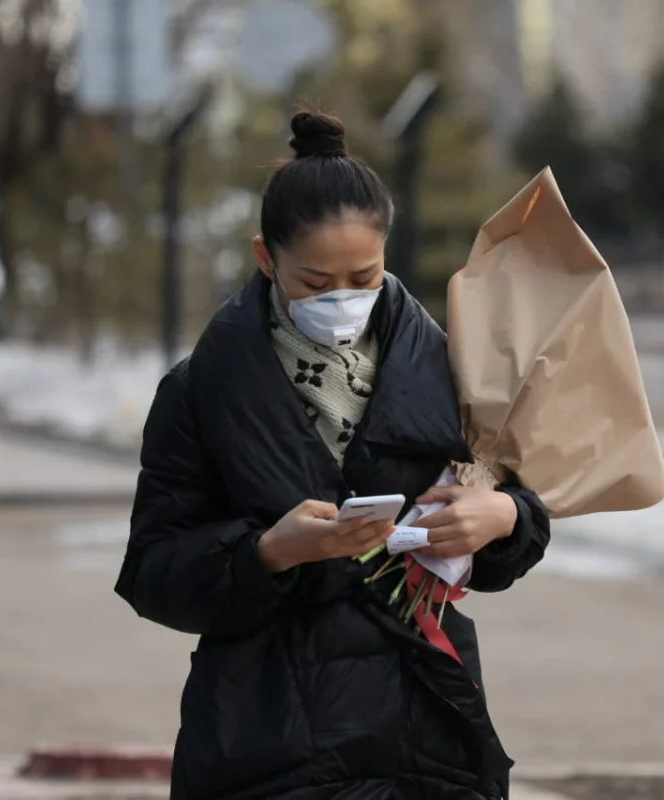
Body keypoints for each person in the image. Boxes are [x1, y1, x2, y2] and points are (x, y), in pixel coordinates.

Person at [115, 111, 551, 800]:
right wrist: (267, 553)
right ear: (267, 259)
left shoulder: (452, 367)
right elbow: (152, 572)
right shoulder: (202, 390)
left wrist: (501, 517)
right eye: (316, 283)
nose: (342, 299)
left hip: (424, 735)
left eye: (364, 275)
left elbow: (521, 515)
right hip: (266, 738)